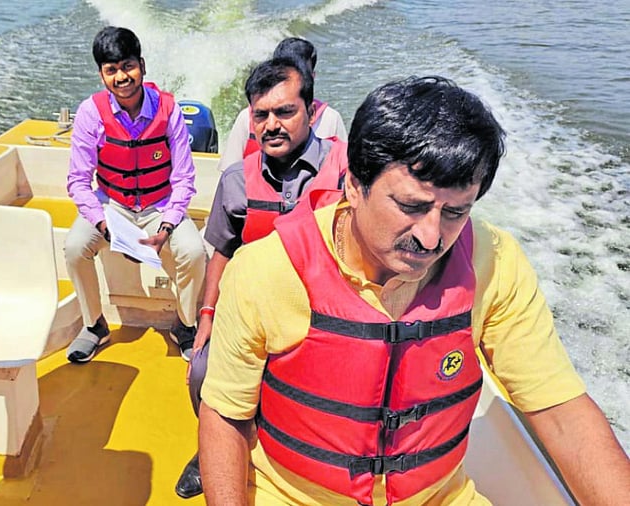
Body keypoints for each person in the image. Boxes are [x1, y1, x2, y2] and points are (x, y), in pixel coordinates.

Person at [198, 76, 630, 505]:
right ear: (353, 184)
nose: (430, 237)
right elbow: (226, 417)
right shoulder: (264, 271)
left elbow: (561, 413)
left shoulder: (496, 263)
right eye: (410, 206)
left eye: (455, 212)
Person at [173, 57, 347, 499]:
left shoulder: (349, 173)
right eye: (260, 114)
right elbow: (222, 252)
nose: (272, 124)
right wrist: (207, 318)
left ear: (311, 110)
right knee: (203, 371)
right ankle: (210, 448)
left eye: (285, 112)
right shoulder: (236, 181)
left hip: (325, 309)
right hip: (251, 312)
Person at [64, 26, 206, 363]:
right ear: (102, 75)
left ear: (142, 64)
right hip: (111, 205)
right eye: (111, 70)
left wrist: (167, 227)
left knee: (194, 251)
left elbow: (184, 179)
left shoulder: (168, 110)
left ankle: (185, 324)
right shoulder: (89, 113)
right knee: (73, 248)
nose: (121, 77)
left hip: (161, 204)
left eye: (128, 66)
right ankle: (94, 324)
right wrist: (103, 225)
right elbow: (78, 182)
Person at [216, 37, 348, 172]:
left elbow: (345, 170)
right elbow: (229, 170)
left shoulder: (331, 119)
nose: (272, 126)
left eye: (286, 112)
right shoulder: (247, 117)